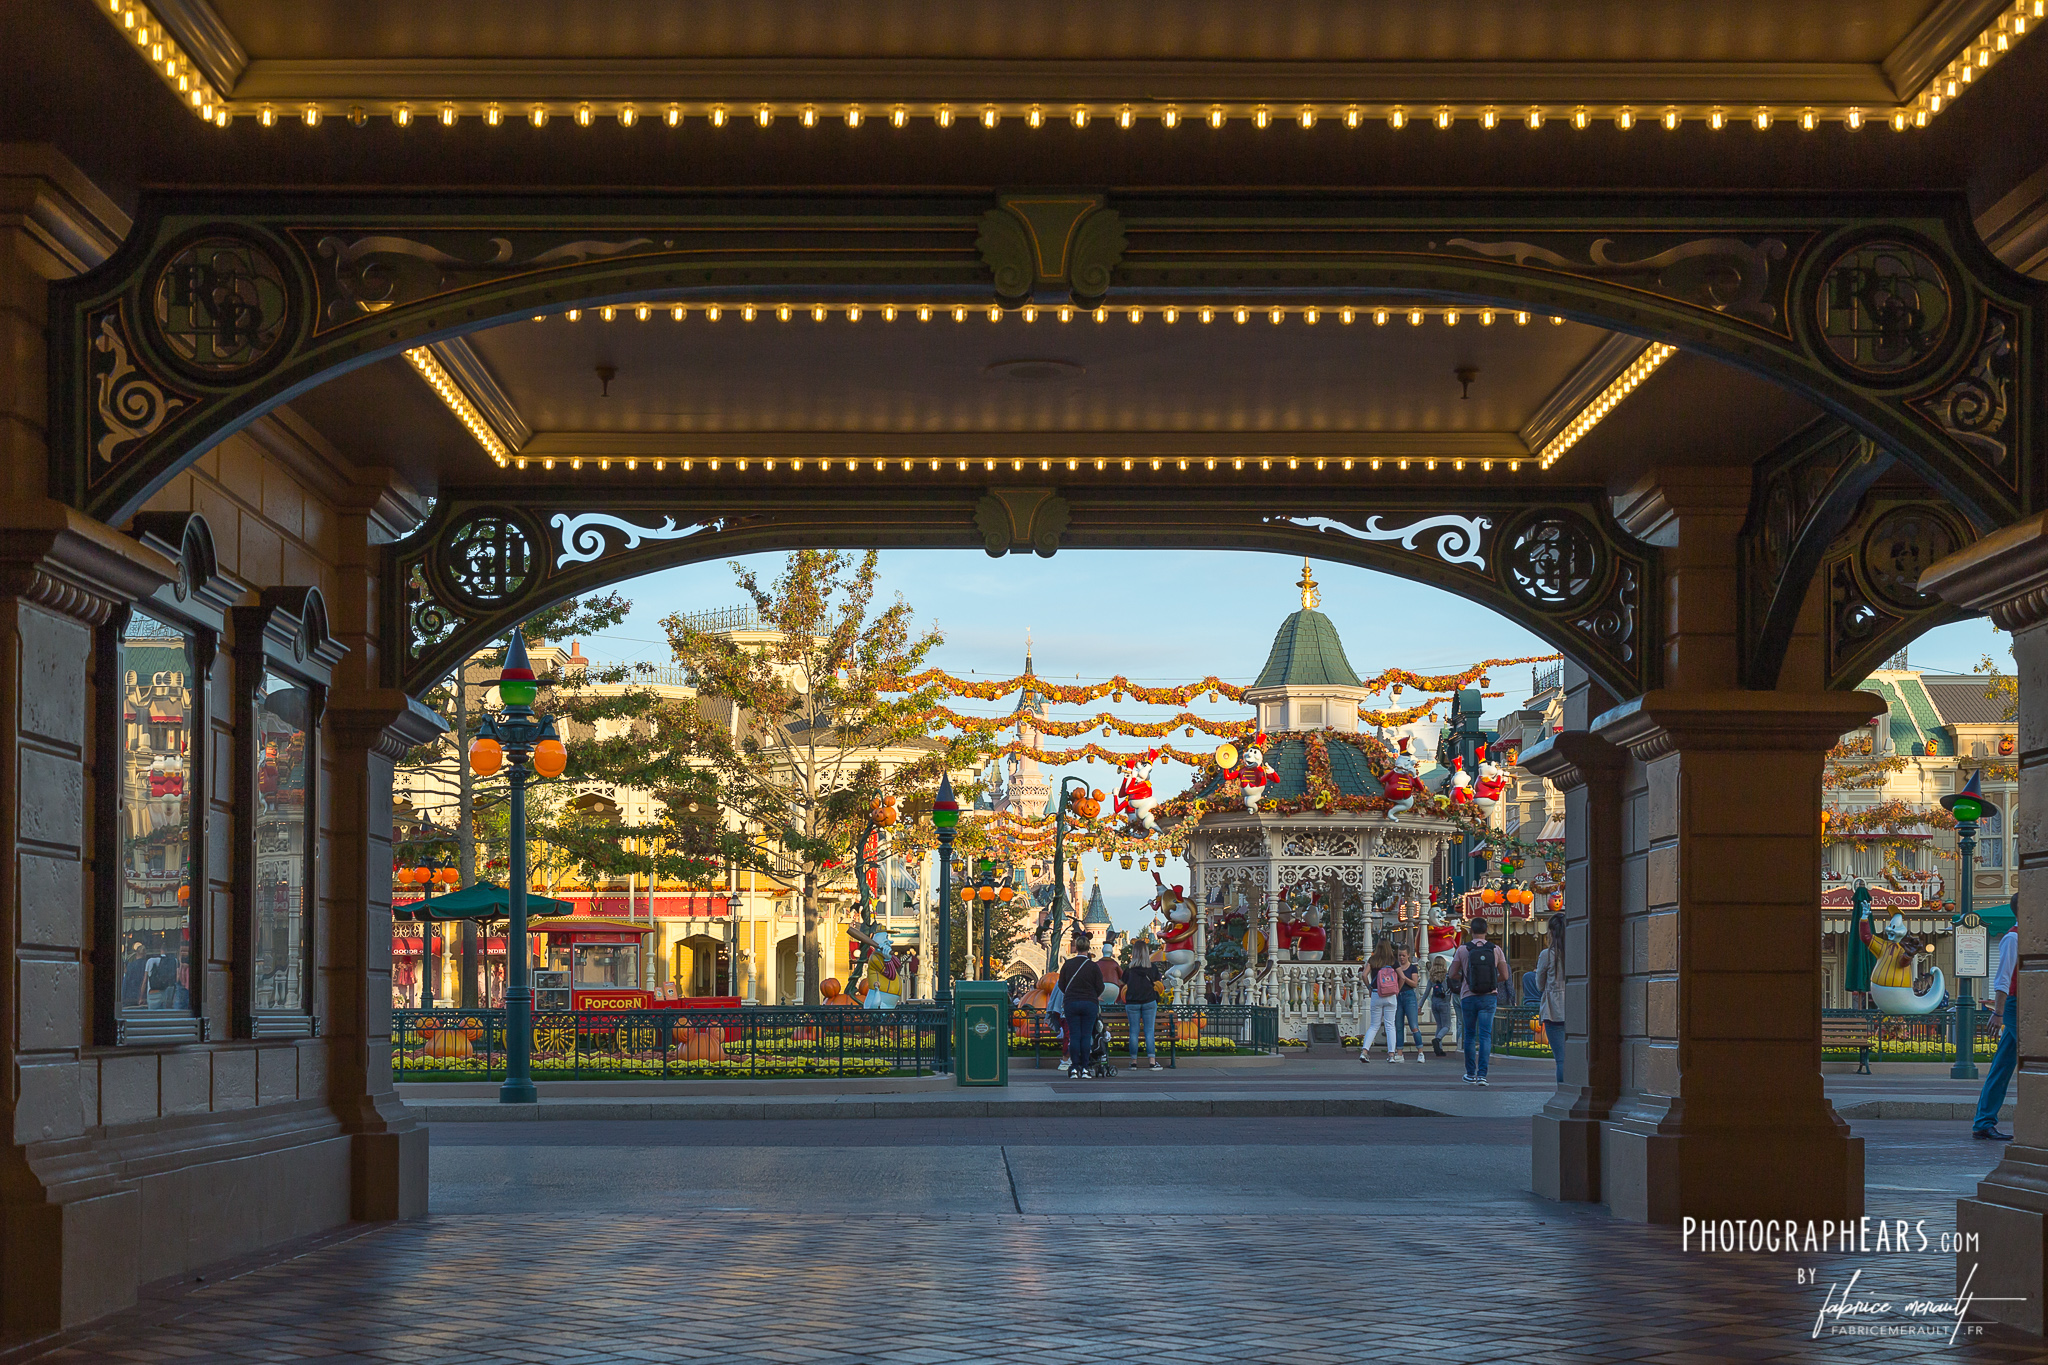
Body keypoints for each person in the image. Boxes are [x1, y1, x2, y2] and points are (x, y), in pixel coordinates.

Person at [1449, 918, 1515, 1085]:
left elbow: (1452, 974)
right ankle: (1483, 1075)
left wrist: (1466, 979)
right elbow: (1505, 976)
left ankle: (1470, 1074)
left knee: (1470, 1035)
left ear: (1471, 931)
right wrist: (1492, 981)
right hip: (1489, 997)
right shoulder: (1496, 949)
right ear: (1487, 930)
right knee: (1485, 1036)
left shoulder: (1463, 949)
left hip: (1468, 996)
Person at [1975, 903, 2021, 1141]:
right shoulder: (2013, 939)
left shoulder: (2026, 937)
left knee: (2002, 1065)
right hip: (2014, 1005)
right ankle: (1983, 1122)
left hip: (2020, 1005)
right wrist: (1999, 1012)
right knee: (2037, 1053)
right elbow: (2003, 978)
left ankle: (1983, 1122)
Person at [1058, 930, 1105, 1080]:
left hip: (1071, 1003)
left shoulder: (1068, 965)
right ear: (1088, 947)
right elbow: (1100, 986)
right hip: (1089, 1003)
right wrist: (1092, 994)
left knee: (1074, 1035)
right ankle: (1085, 1068)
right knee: (1086, 1036)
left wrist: (1071, 993)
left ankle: (1074, 1068)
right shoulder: (1093, 966)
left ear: (1076, 947)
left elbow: (1061, 985)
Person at [1122, 942, 1165, 1070]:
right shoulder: (1152, 969)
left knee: (1133, 1032)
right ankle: (1152, 1061)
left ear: (1134, 953)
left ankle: (1133, 1061)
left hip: (1132, 1003)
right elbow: (1159, 983)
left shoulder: (1129, 970)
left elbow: (1122, 984)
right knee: (1149, 1031)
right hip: (1149, 1001)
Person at [1358, 942, 1402, 1063]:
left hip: (1377, 994)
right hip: (1391, 996)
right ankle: (1391, 1055)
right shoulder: (1393, 961)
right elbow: (1402, 977)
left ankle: (1365, 1051)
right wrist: (1397, 989)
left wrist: (1369, 987)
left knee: (1374, 1025)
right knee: (1390, 1025)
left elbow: (1364, 975)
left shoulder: (1373, 960)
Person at [1536, 913, 1567, 1084]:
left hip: (1554, 1010)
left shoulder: (1547, 955)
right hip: (1576, 1009)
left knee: (1561, 1059)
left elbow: (1540, 984)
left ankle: (1563, 1093)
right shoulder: (1576, 952)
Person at [1393, 946, 1424, 1063]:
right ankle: (1400, 1053)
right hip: (1398, 996)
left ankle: (1420, 1052)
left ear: (1408, 956)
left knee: (1414, 1025)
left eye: (1403, 955)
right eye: (1399, 955)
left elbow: (1414, 984)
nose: (1401, 958)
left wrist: (1404, 978)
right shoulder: (1395, 967)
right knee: (1399, 1026)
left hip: (1409, 996)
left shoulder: (1412, 968)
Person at [1427, 956, 1456, 1056]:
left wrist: (1420, 1005)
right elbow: (1448, 990)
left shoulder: (1431, 977)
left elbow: (1426, 992)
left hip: (1434, 1003)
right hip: (1444, 1003)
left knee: (1439, 1025)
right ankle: (1437, 1039)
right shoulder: (1446, 976)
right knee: (1447, 1026)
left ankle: (1439, 1049)